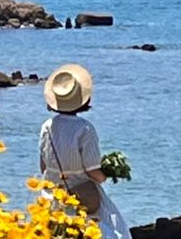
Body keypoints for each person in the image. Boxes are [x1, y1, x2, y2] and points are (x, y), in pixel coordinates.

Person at [39, 63, 131, 239]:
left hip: (51, 199)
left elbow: (43, 167)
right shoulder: (85, 129)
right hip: (81, 199)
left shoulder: (47, 127)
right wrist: (105, 175)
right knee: (117, 232)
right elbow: (93, 172)